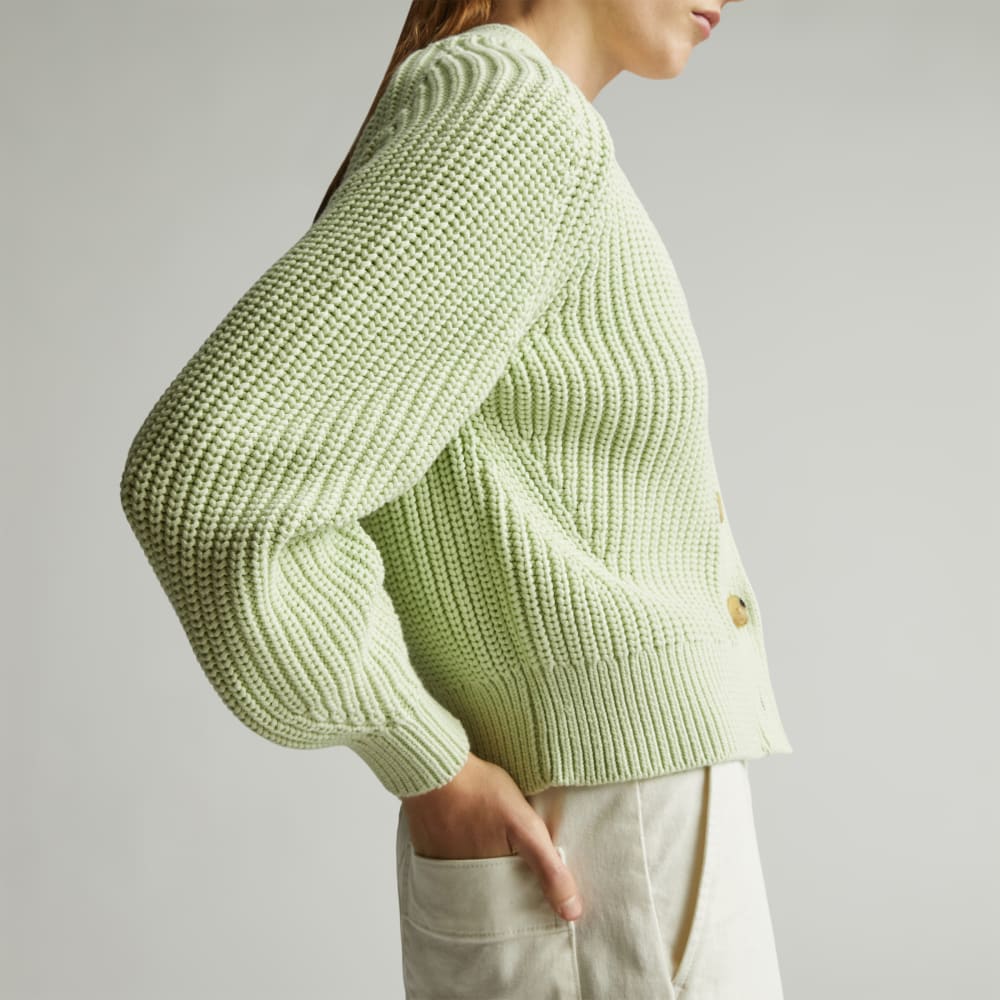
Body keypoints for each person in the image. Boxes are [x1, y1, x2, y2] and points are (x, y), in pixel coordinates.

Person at [119, 0, 793, 996]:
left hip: (607, 820)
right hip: (612, 835)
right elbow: (207, 473)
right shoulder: (513, 115)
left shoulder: (516, 118)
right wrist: (424, 755)